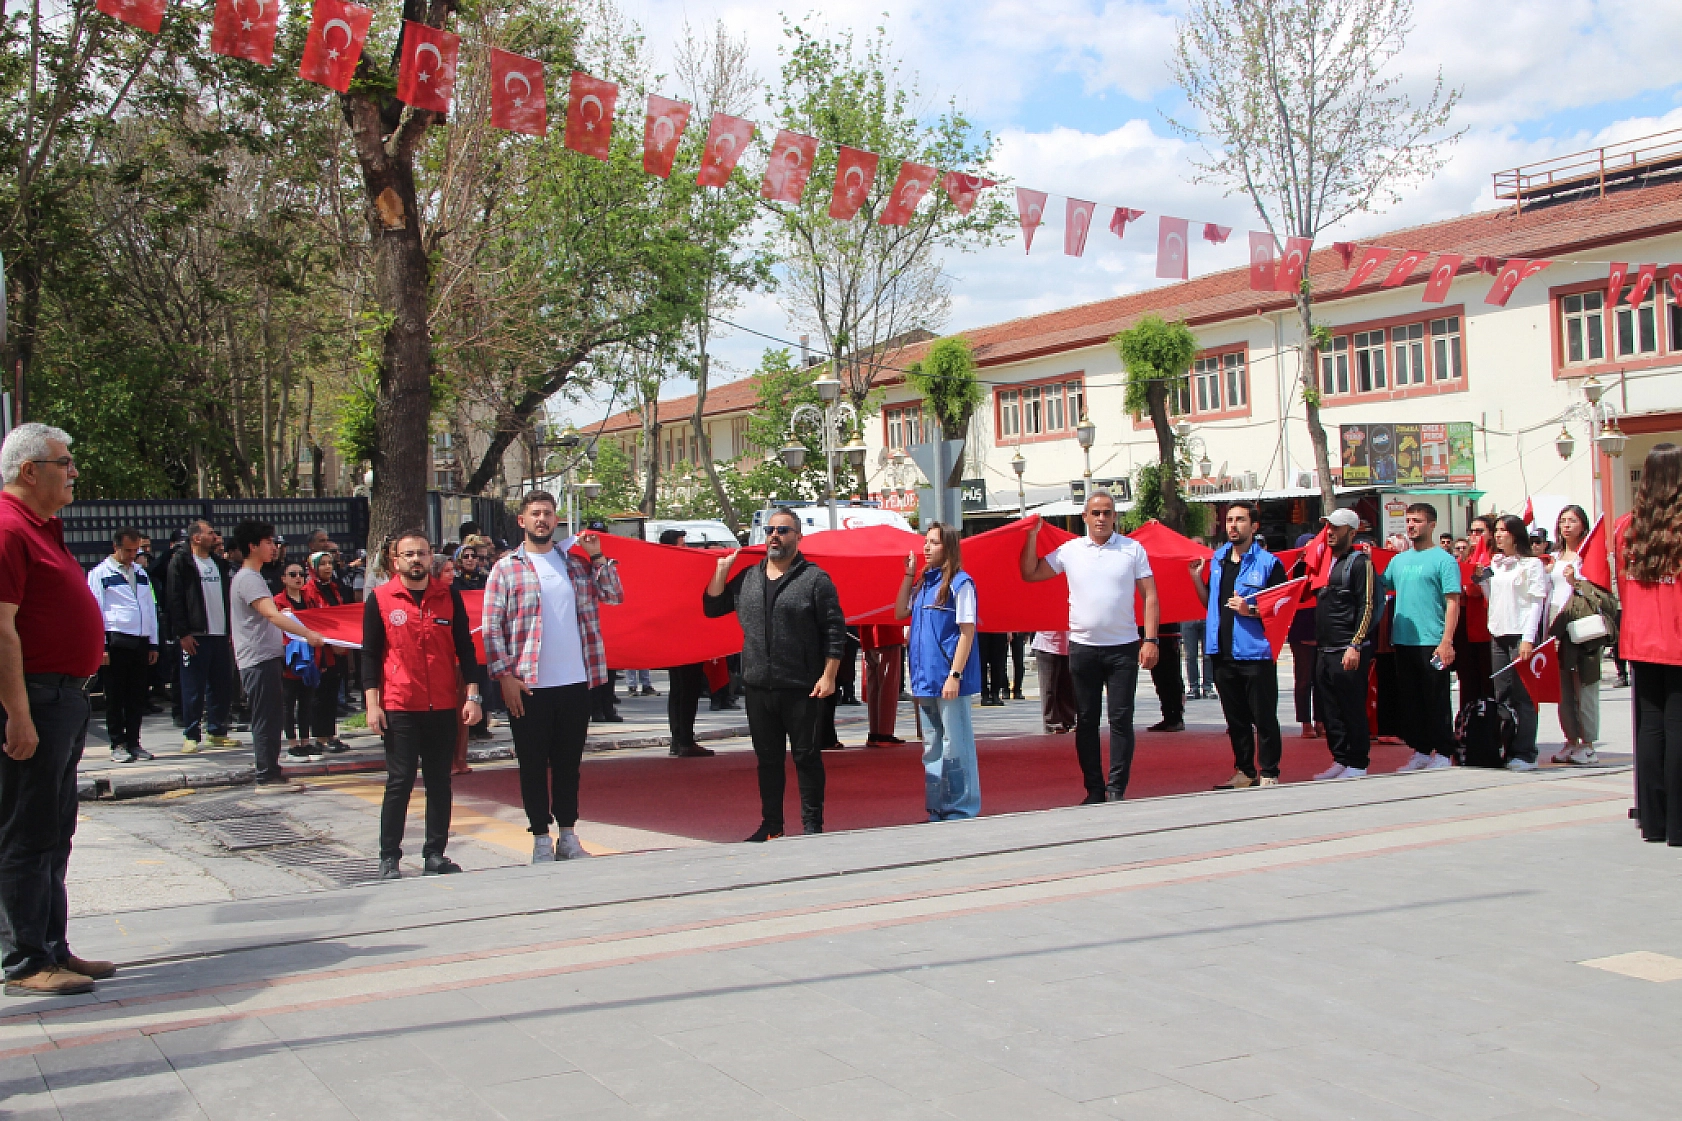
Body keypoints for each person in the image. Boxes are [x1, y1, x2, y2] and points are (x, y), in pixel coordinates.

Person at [0, 424, 117, 997]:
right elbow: (1, 630)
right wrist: (17, 714)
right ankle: (23, 958)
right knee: (25, 831)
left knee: (54, 830)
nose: (72, 471)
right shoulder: (7, 529)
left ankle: (51, 945)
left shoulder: (45, 528)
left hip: (64, 697)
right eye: (64, 462)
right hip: (35, 699)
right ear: (29, 470)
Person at [484, 493, 623, 863]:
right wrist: (504, 677)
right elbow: (491, 629)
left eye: (547, 514)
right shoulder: (506, 568)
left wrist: (596, 555)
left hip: (576, 681)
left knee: (569, 765)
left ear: (556, 519)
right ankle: (540, 838)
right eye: (535, 514)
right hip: (529, 684)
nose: (542, 520)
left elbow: (614, 594)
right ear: (522, 521)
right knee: (531, 764)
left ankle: (569, 835)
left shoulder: (575, 565)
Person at [704, 507, 844, 840]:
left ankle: (812, 825)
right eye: (770, 530)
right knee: (767, 760)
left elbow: (835, 631)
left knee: (806, 756)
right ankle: (772, 825)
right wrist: (721, 572)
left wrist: (829, 675)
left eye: (783, 530)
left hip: (802, 686)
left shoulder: (815, 579)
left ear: (798, 536)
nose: (774, 536)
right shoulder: (749, 578)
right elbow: (712, 607)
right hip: (757, 685)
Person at [1019, 490, 1160, 804]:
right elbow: (1030, 573)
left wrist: (1150, 640)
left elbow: (1150, 595)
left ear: (1115, 517)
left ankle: (1116, 788)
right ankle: (1095, 789)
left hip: (1124, 648)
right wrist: (1031, 538)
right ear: (1085, 517)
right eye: (1095, 513)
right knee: (1086, 721)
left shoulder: (1132, 550)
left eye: (1107, 513)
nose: (1101, 519)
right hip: (1083, 648)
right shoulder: (1070, 551)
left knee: (1121, 720)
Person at [361, 533, 479, 879]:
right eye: (408, 554)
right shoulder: (381, 599)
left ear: (432, 558)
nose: (416, 559)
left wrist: (472, 695)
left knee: (439, 781)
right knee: (400, 780)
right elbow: (369, 655)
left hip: (442, 704)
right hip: (400, 704)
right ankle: (389, 856)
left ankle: (434, 854)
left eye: (422, 553)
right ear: (395, 560)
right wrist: (373, 704)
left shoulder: (448, 596)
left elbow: (465, 648)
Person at [1191, 503, 1287, 789]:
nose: (1233, 525)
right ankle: (1244, 771)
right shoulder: (1218, 560)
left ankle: (1269, 771)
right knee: (1236, 720)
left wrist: (1251, 610)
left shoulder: (1269, 564)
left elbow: (1281, 608)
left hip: (1255, 653)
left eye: (1240, 520)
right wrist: (1196, 578)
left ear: (1254, 527)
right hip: (1222, 653)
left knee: (1264, 718)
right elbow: (1210, 605)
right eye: (1230, 520)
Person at [228, 522, 326, 790]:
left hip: (265, 657)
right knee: (266, 718)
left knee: (271, 716)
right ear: (253, 546)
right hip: (258, 659)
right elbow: (270, 614)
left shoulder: (253, 577)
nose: (274, 547)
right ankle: (266, 775)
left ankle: (272, 769)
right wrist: (306, 634)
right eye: (269, 542)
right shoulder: (248, 578)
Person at [894, 522, 982, 820]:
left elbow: (967, 632)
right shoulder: (924, 585)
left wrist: (955, 675)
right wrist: (909, 575)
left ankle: (961, 806)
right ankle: (938, 806)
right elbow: (899, 612)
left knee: (954, 743)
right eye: (926, 541)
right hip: (925, 679)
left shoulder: (961, 584)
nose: (926, 547)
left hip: (947, 678)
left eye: (934, 542)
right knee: (932, 745)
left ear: (949, 547)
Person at [1617, 443, 1682, 845]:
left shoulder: (1627, 527)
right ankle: (1678, 824)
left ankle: (1655, 823)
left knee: (1651, 727)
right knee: (1677, 726)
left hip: (1639, 638)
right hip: (1676, 636)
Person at [1384, 503, 1462, 772]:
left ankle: (1443, 751)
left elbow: (1453, 602)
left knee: (1436, 698)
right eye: (1408, 521)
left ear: (1431, 525)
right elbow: (1381, 586)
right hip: (1404, 640)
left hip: (1432, 640)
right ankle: (1420, 749)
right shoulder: (1399, 560)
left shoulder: (1444, 560)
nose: (1410, 525)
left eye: (1417, 521)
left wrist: (1447, 640)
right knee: (1411, 699)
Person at [1311, 510, 1377, 779]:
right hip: (1324, 649)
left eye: (1336, 528)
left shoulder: (1360, 564)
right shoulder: (1325, 561)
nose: (1329, 532)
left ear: (1352, 532)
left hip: (1346, 647)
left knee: (1351, 707)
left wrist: (1356, 644)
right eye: (1327, 527)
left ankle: (1358, 761)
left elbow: (1367, 604)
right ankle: (1340, 758)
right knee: (1330, 710)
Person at [1481, 514, 1549, 771]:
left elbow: (1535, 603)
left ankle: (1526, 751)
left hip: (1520, 634)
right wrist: (1483, 580)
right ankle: (1506, 746)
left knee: (1524, 696)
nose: (1497, 536)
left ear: (1515, 535)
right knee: (1503, 694)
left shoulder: (1531, 565)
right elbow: (1493, 597)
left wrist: (1528, 639)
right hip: (1498, 632)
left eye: (1502, 531)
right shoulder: (1497, 563)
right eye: (1496, 531)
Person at [88, 527, 160, 763]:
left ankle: (134, 741)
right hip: (117, 640)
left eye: (135, 550)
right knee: (116, 695)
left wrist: (153, 643)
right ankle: (117, 741)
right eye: (127, 550)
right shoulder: (100, 574)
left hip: (140, 640)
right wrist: (101, 646)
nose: (132, 555)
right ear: (115, 547)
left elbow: (149, 607)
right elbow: (95, 610)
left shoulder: (140, 573)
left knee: (137, 695)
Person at [168, 519, 239, 754]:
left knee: (221, 685)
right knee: (193, 687)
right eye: (210, 533)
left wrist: (230, 630)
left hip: (220, 634)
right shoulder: (182, 562)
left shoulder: (219, 564)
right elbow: (175, 599)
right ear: (196, 538)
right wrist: (183, 633)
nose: (216, 537)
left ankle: (217, 730)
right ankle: (191, 733)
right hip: (196, 635)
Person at [1549, 504, 1609, 766]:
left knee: (1585, 688)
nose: (1566, 526)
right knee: (1563, 691)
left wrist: (1577, 582)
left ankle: (1588, 744)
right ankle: (1570, 739)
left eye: (1572, 521)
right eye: (1563, 521)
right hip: (1557, 628)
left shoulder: (1589, 556)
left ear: (1583, 525)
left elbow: (1603, 596)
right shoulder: (1556, 555)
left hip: (1582, 630)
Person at [657, 529, 714, 759]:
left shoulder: (663, 570)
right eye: (683, 543)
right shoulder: (676, 570)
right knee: (686, 689)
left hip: (675, 637)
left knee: (680, 689)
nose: (687, 547)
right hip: (685, 637)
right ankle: (684, 740)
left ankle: (679, 739)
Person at [301, 552, 350, 754]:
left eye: (330, 563)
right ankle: (320, 736)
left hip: (338, 648)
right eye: (322, 564)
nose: (328, 568)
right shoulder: (308, 591)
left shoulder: (334, 588)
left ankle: (331, 734)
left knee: (332, 692)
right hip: (321, 650)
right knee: (320, 695)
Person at [274, 561, 322, 764]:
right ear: (283, 578)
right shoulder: (277, 601)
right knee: (288, 702)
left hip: (310, 657)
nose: (297, 578)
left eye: (301, 574)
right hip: (290, 658)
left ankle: (305, 740)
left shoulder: (310, 599)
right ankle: (292, 743)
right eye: (292, 574)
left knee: (307, 701)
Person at [1454, 515, 1496, 702]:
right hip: (1465, 623)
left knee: (1487, 679)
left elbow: (1476, 591)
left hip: (1485, 624)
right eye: (1471, 531)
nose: (1474, 535)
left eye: (1479, 531)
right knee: (1468, 678)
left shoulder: (1495, 557)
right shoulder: (1466, 556)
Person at [860, 623, 906, 746]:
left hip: (868, 635)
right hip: (888, 633)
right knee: (888, 686)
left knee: (874, 687)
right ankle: (885, 733)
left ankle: (874, 732)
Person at [1032, 630, 1077, 733]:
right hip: (1046, 646)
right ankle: (1051, 723)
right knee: (1049, 688)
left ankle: (1068, 721)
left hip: (1068, 645)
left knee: (1068, 687)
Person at [1146, 622, 1185, 733]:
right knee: (1159, 679)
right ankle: (1168, 716)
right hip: (1151, 633)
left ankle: (1176, 717)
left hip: (1168, 633)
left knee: (1172, 676)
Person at [1181, 615, 1212, 700]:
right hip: (1187, 617)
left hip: (1206, 616)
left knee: (1208, 655)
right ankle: (1193, 687)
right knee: (1190, 655)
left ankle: (1208, 687)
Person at [977, 632, 1009, 705]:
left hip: (999, 629)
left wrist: (1009, 631)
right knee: (982, 663)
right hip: (982, 630)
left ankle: (995, 693)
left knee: (998, 663)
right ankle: (984, 694)